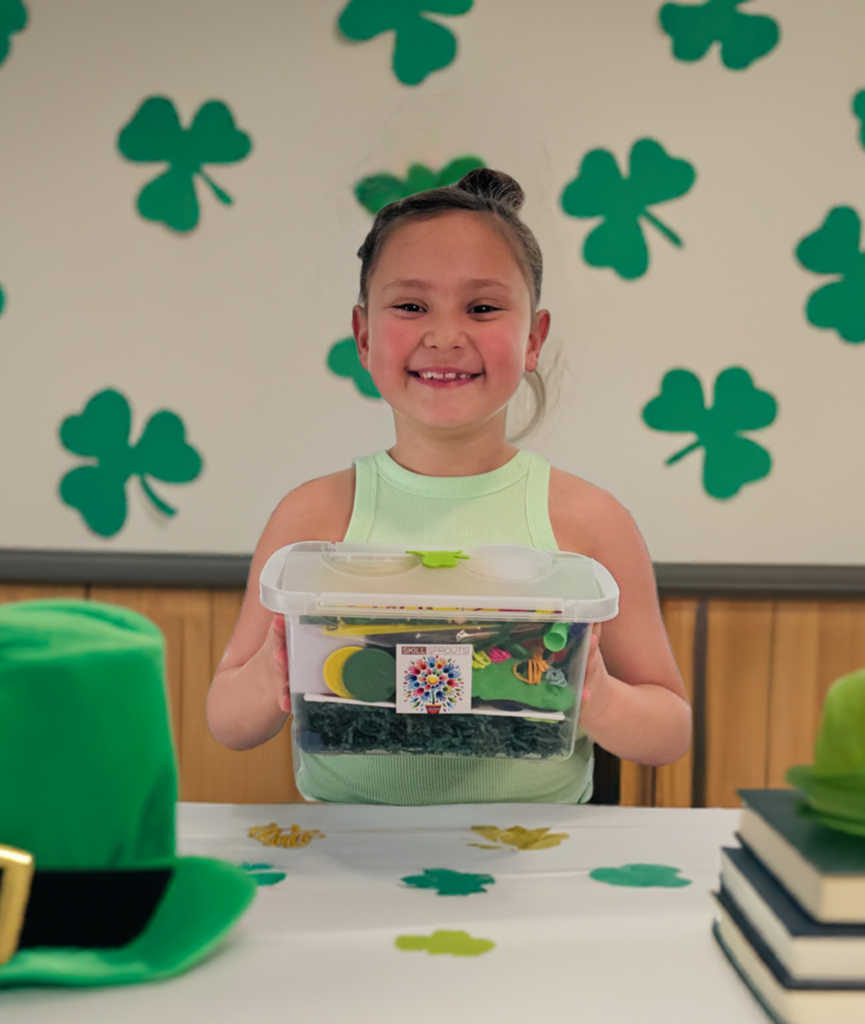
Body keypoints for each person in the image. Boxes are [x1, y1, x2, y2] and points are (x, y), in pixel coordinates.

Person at [207, 168, 691, 803]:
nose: (445, 335)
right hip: (350, 850)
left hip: (537, 854)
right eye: (411, 306)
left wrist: (593, 693)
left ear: (533, 339)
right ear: (363, 335)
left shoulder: (588, 520)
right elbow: (227, 719)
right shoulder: (314, 515)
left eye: (483, 307)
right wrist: (273, 674)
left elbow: (668, 730)